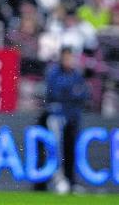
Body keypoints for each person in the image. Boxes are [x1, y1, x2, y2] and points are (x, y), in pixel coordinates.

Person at [35, 47, 90, 193]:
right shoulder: (54, 74)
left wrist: (70, 96)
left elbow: (83, 95)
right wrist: (71, 95)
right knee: (55, 149)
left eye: (71, 58)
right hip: (57, 117)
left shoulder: (77, 75)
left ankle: (70, 180)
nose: (69, 61)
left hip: (73, 118)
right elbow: (53, 94)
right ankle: (57, 180)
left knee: (71, 151)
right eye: (66, 58)